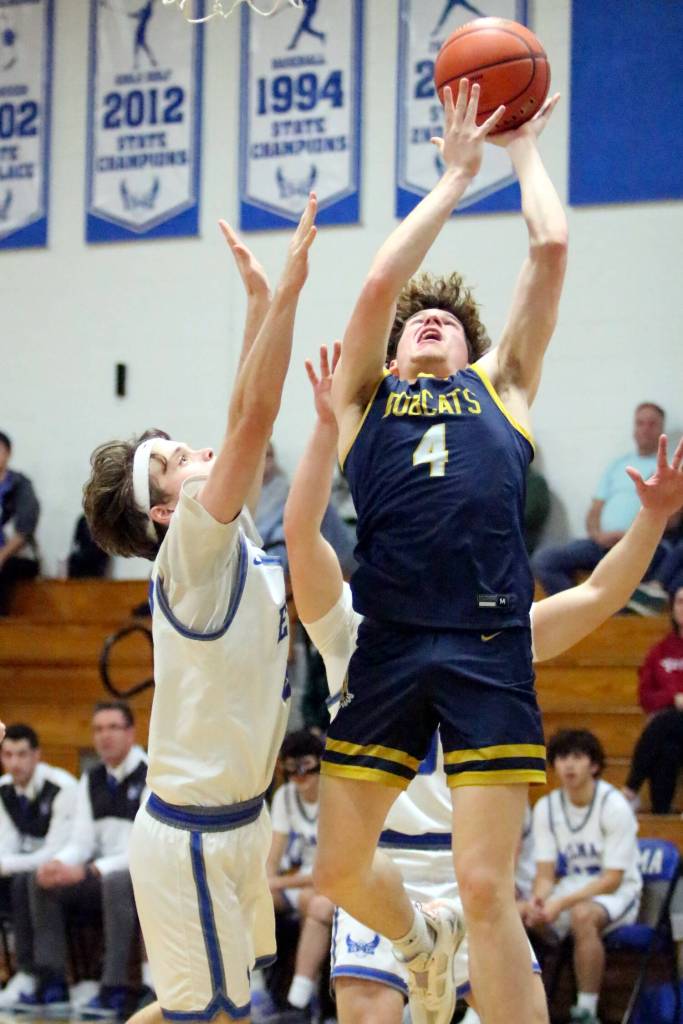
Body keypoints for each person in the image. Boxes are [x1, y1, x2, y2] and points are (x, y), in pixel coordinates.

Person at [283, 347, 683, 1024]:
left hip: (477, 883)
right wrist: (326, 433)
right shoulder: (355, 631)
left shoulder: (502, 637)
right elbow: (301, 542)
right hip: (385, 879)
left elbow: (599, 594)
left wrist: (653, 517)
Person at [314, 79, 567, 1024]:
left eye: (447, 321)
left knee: (486, 886)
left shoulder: (502, 387)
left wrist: (519, 149)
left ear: (470, 347)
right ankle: (422, 948)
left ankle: (468, 953)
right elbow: (378, 285)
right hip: (387, 641)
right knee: (336, 866)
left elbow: (549, 247)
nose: (428, 322)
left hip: (485, 642)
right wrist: (452, 181)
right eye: (418, 323)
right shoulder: (358, 401)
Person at [83, 200, 316, 1024]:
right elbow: (254, 417)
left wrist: (257, 303)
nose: (200, 453)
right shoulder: (191, 550)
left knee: (198, 1012)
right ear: (160, 514)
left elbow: (241, 413)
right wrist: (288, 293)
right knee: (216, 1018)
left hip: (236, 823)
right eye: (180, 462)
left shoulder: (226, 533)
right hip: (192, 833)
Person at [23, 702, 148, 1019]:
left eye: (113, 728)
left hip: (140, 875)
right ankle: (52, 982)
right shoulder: (91, 779)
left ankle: (114, 988)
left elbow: (144, 849)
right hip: (99, 873)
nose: (104, 736)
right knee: (39, 879)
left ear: (131, 733)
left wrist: (91, 869)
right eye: (98, 729)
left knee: (115, 882)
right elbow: (81, 842)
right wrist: (59, 863)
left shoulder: (151, 775)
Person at [525, 730, 642, 1024]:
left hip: (618, 892)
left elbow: (612, 879)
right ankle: (500, 1008)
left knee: (582, 916)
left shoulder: (613, 805)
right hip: (571, 889)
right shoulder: (546, 808)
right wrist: (538, 900)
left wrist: (559, 903)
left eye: (577, 757)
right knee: (515, 913)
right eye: (562, 757)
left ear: (594, 765)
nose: (569, 765)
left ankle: (586, 1010)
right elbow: (545, 875)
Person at [532, 403, 675, 596]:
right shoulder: (618, 465)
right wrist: (597, 534)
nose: (645, 429)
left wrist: (631, 536)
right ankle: (578, 613)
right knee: (544, 560)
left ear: (661, 430)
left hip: (642, 545)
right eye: (640, 423)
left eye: (652, 424)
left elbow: (672, 518)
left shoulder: (670, 471)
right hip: (601, 543)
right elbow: (595, 510)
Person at [0, 724, 77, 1010]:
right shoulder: (4, 790)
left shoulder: (61, 787)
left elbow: (55, 851)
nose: (14, 763)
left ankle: (47, 977)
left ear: (37, 756)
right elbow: (7, 844)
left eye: (22, 754)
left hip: (69, 866)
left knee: (28, 880)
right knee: (21, 879)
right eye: (7, 755)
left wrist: (5, 864)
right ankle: (22, 974)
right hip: (25, 870)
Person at [263, 730, 333, 1022]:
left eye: (304, 766)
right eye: (290, 768)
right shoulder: (285, 797)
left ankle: (300, 999)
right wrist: (265, 882)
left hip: (330, 883)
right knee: (252, 897)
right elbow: (273, 855)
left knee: (314, 903)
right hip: (296, 881)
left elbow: (329, 870)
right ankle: (249, 984)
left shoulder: (336, 796)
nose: (298, 775)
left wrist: (277, 882)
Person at [622, 584, 683, 812]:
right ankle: (662, 814)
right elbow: (646, 697)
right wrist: (673, 698)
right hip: (671, 728)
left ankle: (630, 788)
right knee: (667, 749)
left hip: (665, 723)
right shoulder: (660, 651)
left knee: (663, 723)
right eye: (679, 601)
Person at [0, 431, 40, 615]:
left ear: (8, 453)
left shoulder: (20, 485)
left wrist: (2, 555)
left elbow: (24, 529)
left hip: (16, 556)